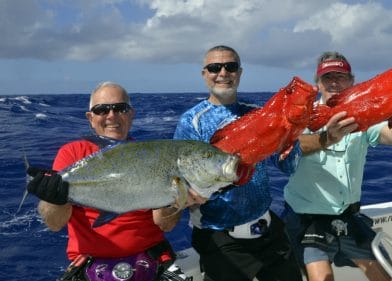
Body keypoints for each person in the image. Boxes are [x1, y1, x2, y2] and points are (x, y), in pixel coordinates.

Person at [27, 82, 192, 281]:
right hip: (91, 263)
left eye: (120, 108)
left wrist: (171, 195)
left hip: (152, 257)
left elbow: (165, 225)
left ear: (131, 114)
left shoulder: (151, 156)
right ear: (90, 118)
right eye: (102, 110)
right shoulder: (72, 153)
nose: (111, 116)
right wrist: (54, 198)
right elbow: (55, 223)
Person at [284, 51, 392, 281]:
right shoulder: (303, 116)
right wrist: (326, 137)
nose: (334, 82)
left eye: (341, 76)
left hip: (348, 217)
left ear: (352, 81)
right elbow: (291, 147)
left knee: (387, 276)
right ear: (317, 84)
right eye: (327, 78)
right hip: (307, 219)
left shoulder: (364, 112)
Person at [173, 45, 303, 281]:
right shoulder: (192, 122)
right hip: (219, 237)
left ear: (240, 73)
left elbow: (288, 167)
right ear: (204, 74)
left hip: (267, 229)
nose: (223, 73)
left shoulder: (259, 114)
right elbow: (182, 179)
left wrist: (292, 135)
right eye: (214, 67)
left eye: (230, 67)